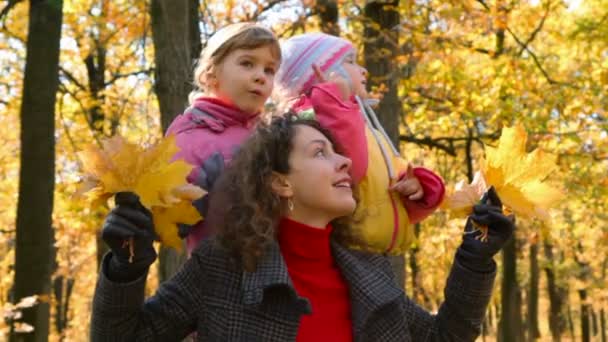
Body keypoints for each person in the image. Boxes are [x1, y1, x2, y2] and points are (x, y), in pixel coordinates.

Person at [91, 114, 514, 341]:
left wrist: (474, 260)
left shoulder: (371, 272)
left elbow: (447, 336)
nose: (345, 162)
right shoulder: (220, 269)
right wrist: (125, 270)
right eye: (320, 153)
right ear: (280, 181)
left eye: (338, 153)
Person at [275, 33, 445, 254]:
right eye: (350, 62)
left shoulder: (365, 128)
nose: (364, 70)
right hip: (347, 249)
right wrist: (333, 100)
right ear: (321, 73)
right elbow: (352, 170)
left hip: (380, 250)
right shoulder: (309, 123)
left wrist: (418, 187)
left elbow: (386, 183)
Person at [164, 22, 281, 252]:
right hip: (221, 271)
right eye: (247, 63)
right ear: (212, 73)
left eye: (269, 70)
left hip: (280, 269)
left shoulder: (271, 134)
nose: (261, 76)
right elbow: (172, 220)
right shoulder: (191, 139)